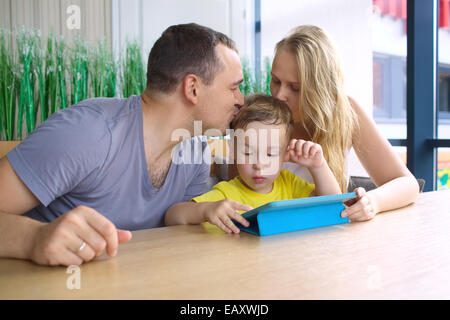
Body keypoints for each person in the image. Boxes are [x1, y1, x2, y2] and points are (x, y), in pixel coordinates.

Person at [0, 23, 245, 266]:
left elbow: (185, 231)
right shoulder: (87, 132)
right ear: (192, 88)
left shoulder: (196, 149)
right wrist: (34, 238)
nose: (240, 101)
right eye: (233, 88)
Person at [267, 25, 419, 221]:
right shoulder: (260, 117)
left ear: (322, 89)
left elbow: (408, 183)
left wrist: (373, 202)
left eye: (295, 88)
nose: (279, 95)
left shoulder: (345, 112)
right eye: (276, 81)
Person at [165, 93, 342, 234]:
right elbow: (172, 216)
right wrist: (205, 210)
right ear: (233, 150)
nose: (259, 165)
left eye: (270, 154)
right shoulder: (227, 194)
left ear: (285, 154)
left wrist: (318, 166)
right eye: (248, 153)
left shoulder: (289, 184)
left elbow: (334, 204)